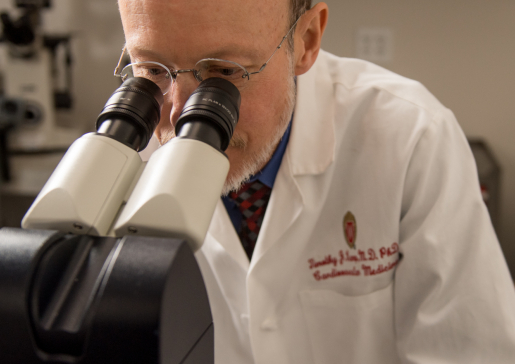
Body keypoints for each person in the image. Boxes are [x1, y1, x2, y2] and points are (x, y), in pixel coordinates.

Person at [118, 0, 515, 363]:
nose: (180, 117)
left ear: (306, 41)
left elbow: (468, 351)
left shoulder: (411, 137)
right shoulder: (119, 161)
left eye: (224, 73)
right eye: (152, 71)